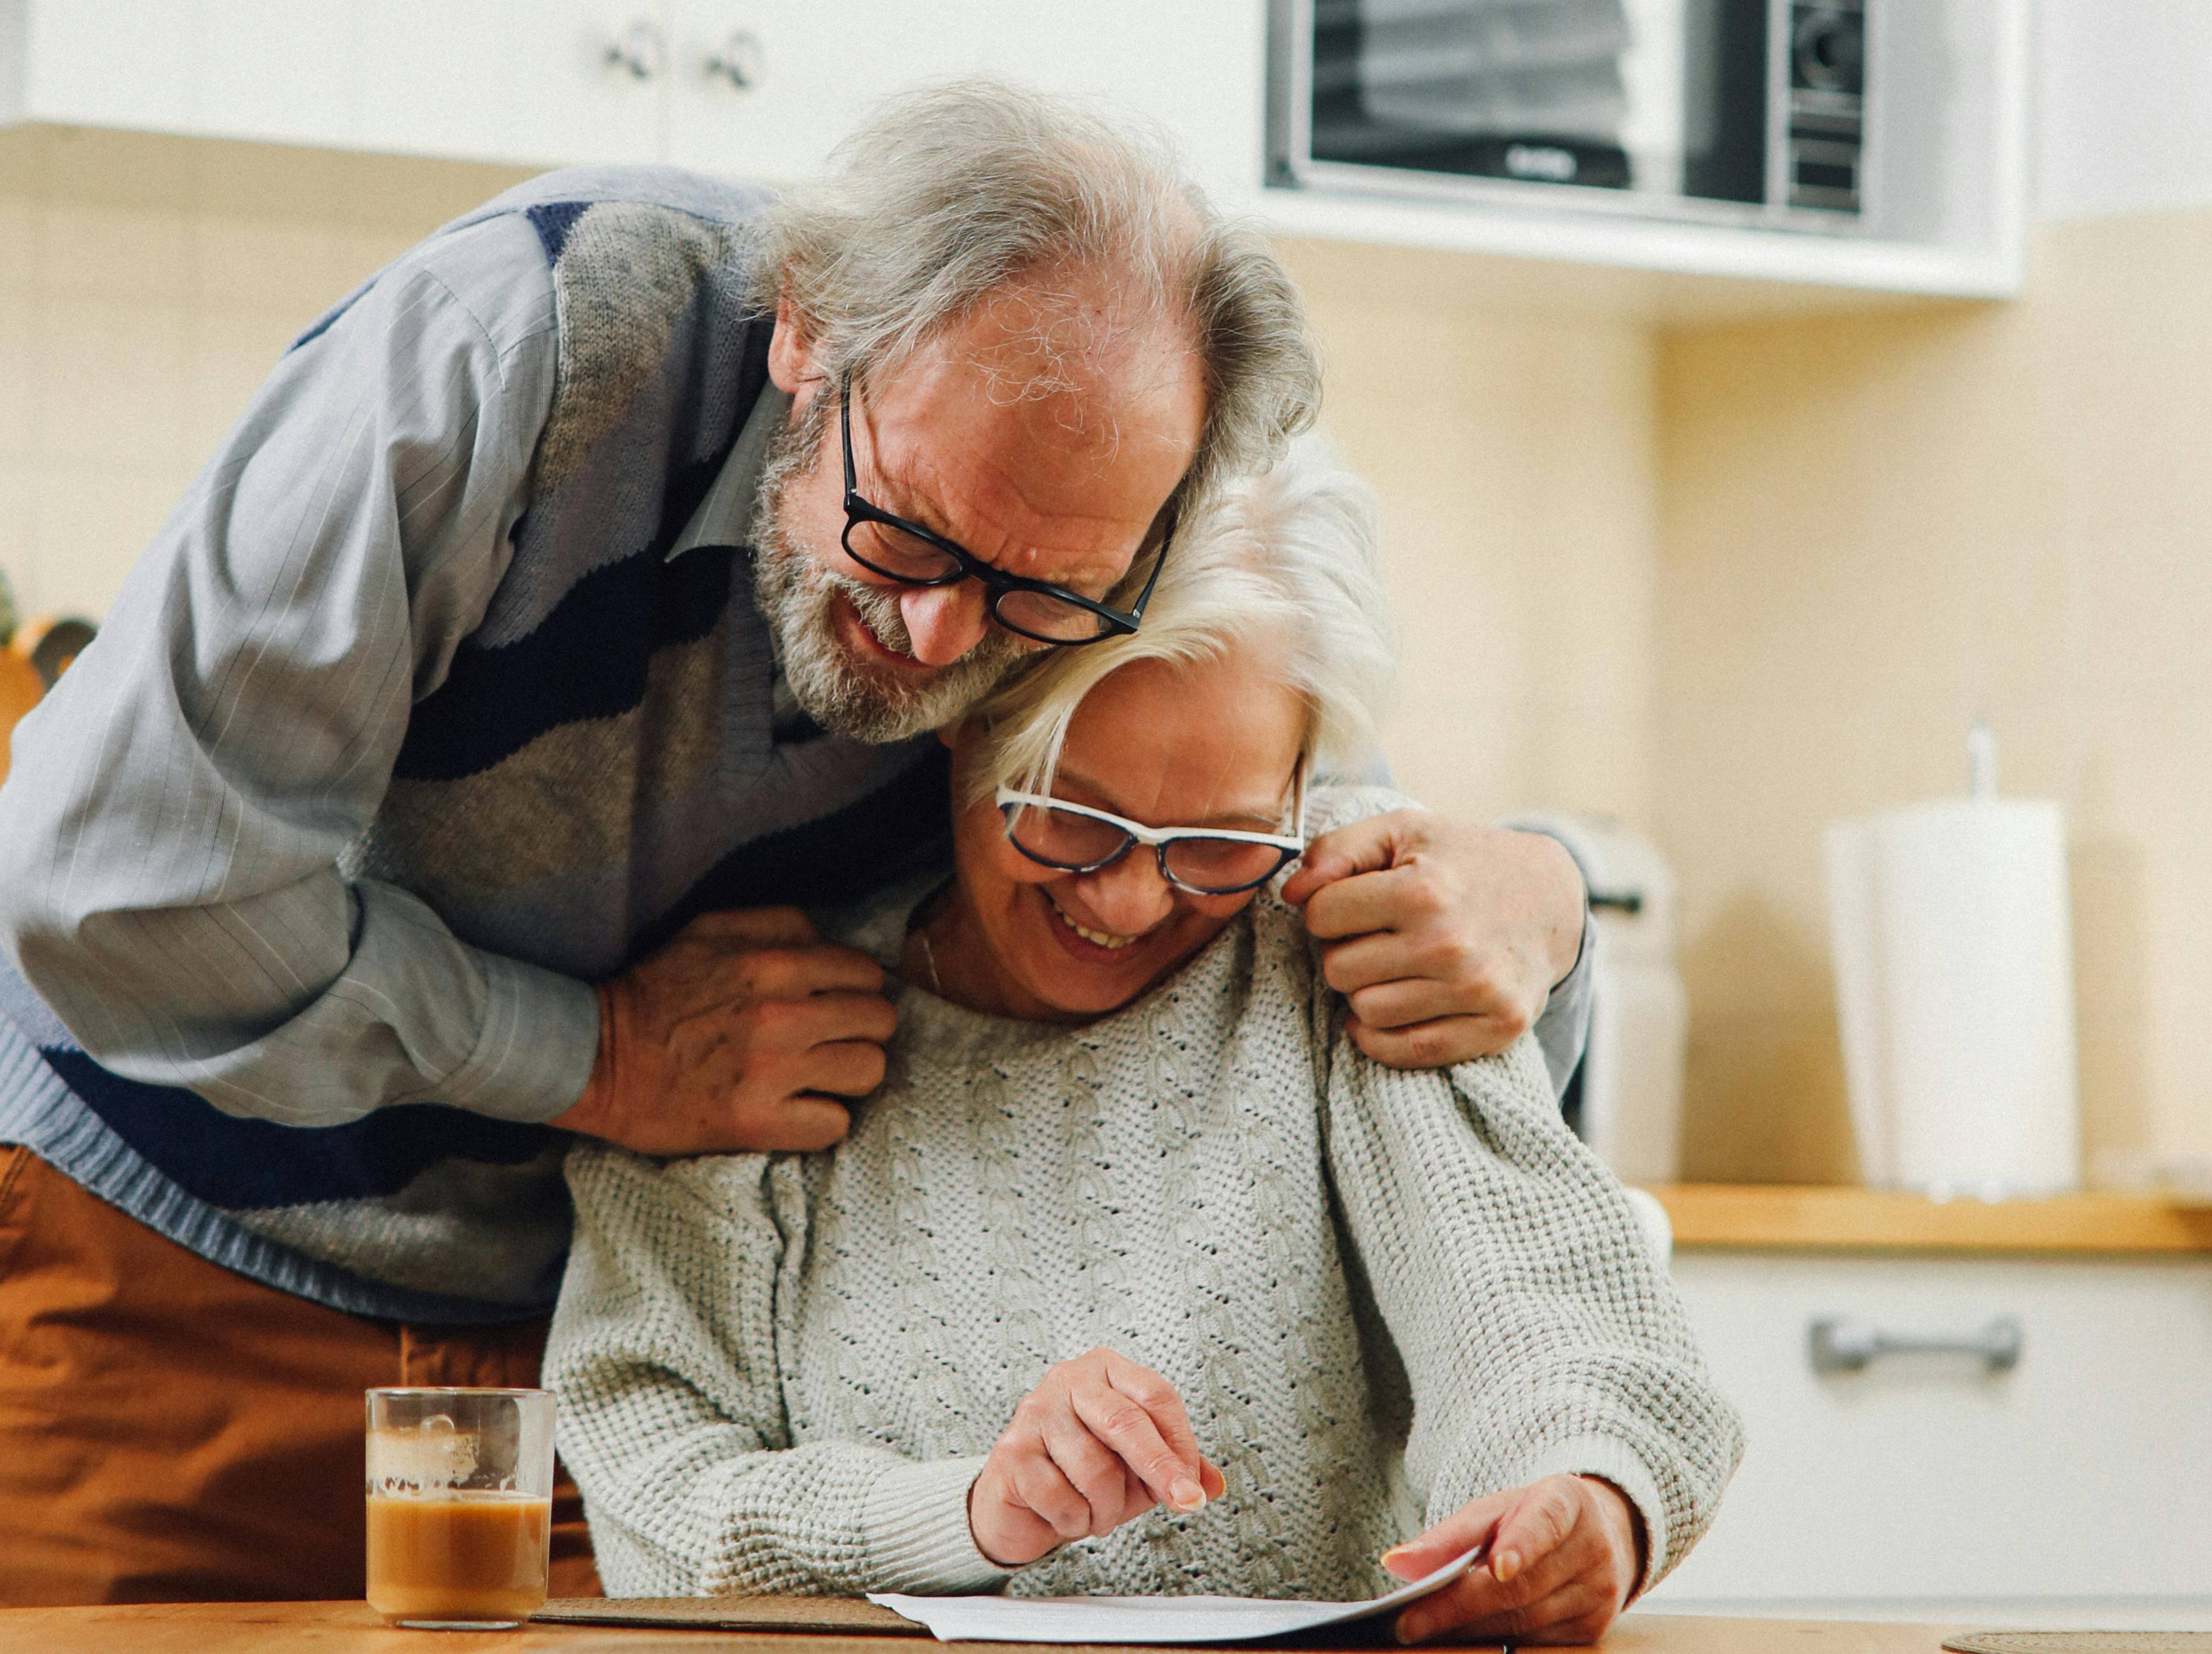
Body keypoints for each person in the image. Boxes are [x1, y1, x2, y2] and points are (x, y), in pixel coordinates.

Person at [0, 84, 1599, 1609]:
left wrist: (1545, 896)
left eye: (1037, 598)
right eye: (902, 532)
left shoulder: (1112, 522)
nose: (939, 642)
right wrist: (600, 1056)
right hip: (151, 1274)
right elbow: (119, 892)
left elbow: (1286, 846)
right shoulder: (526, 339)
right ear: (807, 331)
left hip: (584, 1352)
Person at [545, 442, 1743, 1644]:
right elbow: (655, 1502)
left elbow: (1557, 1325)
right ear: (960, 727)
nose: (1123, 905)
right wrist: (964, 1513)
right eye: (1066, 813)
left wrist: (1589, 1499)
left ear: (1297, 789)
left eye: (1218, 844)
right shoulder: (749, 1039)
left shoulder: (1342, 939)